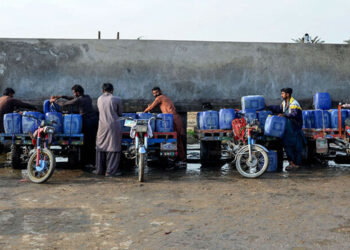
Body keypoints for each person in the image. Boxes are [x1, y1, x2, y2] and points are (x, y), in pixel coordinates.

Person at [50, 85, 98, 167]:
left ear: (78, 93)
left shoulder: (79, 100)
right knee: (92, 143)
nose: (74, 94)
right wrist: (61, 96)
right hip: (94, 121)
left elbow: (64, 104)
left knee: (86, 143)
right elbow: (72, 98)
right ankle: (92, 162)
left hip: (87, 122)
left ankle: (87, 163)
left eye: (74, 93)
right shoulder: (87, 97)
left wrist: (54, 101)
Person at [143, 87, 186, 165]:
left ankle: (182, 159)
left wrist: (144, 112)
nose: (155, 94)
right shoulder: (163, 99)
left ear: (160, 91)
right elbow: (153, 106)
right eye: (154, 93)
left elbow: (151, 107)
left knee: (178, 139)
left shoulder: (160, 97)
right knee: (177, 140)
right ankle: (178, 159)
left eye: (156, 92)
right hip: (171, 119)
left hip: (173, 119)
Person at [269, 88, 305, 171]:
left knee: (294, 147)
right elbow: (279, 109)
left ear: (287, 94)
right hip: (289, 128)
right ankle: (292, 163)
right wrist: (269, 107)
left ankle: (294, 164)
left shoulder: (294, 103)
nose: (282, 95)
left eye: (283, 94)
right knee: (288, 145)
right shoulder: (284, 103)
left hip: (294, 128)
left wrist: (284, 115)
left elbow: (294, 114)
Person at [94, 83, 123, 177]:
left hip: (102, 126)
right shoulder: (117, 99)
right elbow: (120, 113)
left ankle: (99, 170)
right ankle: (110, 171)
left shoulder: (99, 99)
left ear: (103, 90)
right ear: (112, 90)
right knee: (113, 147)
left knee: (101, 146)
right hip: (113, 125)